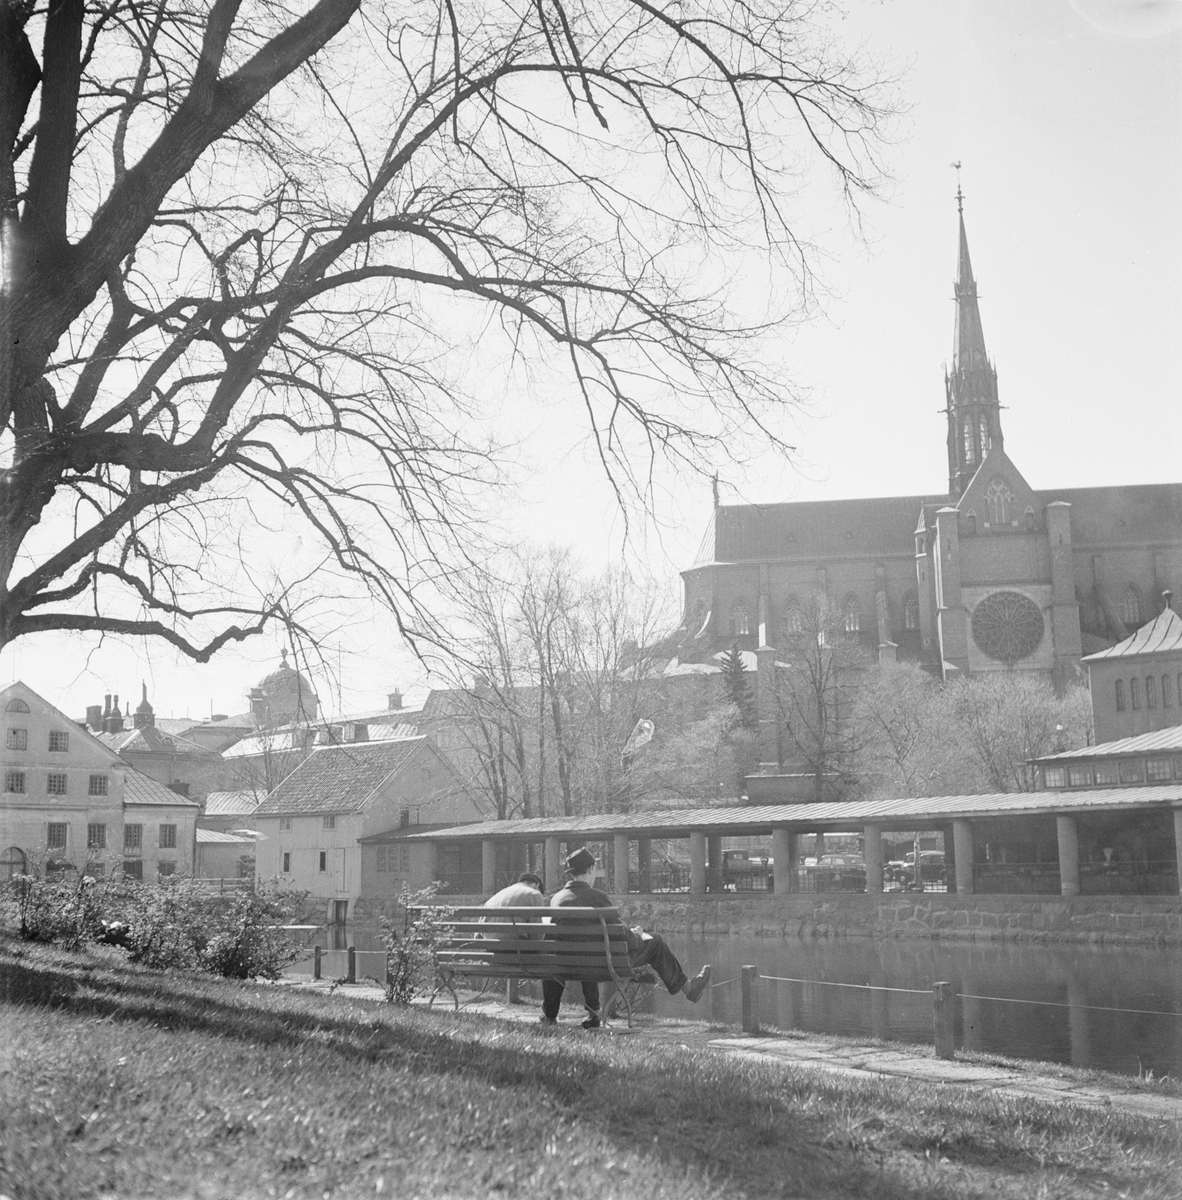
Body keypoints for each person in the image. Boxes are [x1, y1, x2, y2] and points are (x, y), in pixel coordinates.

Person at [542, 847, 711, 1029]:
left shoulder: (556, 899)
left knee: (586, 947)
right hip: (603, 964)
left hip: (564, 964)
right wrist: (637, 935)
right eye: (596, 869)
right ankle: (688, 988)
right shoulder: (597, 897)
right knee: (656, 941)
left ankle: (555, 1015)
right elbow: (620, 934)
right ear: (590, 869)